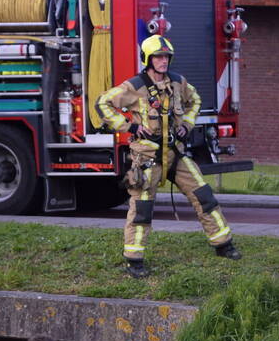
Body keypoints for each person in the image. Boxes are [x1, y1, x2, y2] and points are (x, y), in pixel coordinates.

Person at [95, 35, 240, 278]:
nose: (163, 61)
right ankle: (134, 258)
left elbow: (194, 101)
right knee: (142, 207)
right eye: (158, 57)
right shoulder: (134, 87)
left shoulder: (178, 82)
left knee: (204, 196)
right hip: (148, 158)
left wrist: (187, 124)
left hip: (176, 154)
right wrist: (129, 127)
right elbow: (103, 103)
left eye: (166, 57)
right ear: (148, 59)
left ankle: (223, 244)